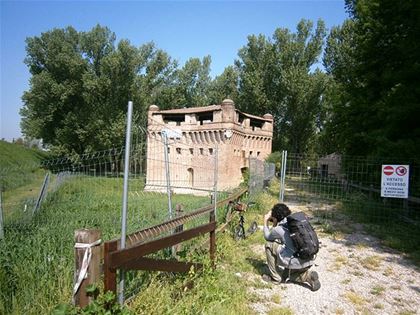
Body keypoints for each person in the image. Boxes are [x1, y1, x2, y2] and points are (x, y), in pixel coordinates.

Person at [262, 203, 321, 291]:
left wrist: (265, 221)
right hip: (308, 257)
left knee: (269, 245)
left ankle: (275, 278)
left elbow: (268, 237)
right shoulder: (294, 223)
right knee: (287, 276)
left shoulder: (279, 229)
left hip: (295, 261)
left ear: (275, 217)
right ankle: (308, 276)